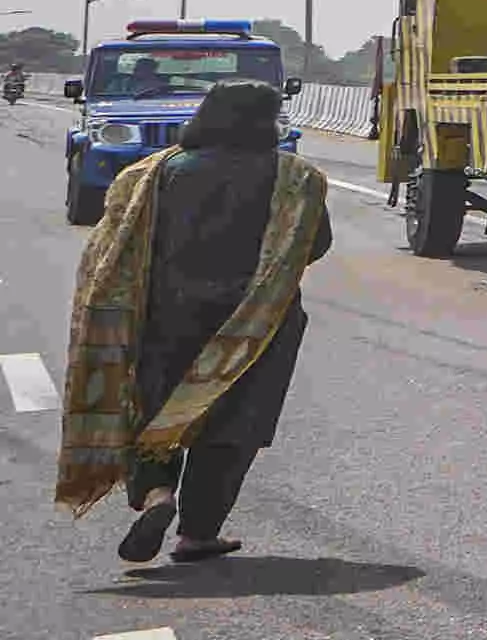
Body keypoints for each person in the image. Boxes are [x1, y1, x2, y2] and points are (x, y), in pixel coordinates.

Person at [52, 80, 331, 565]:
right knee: (231, 427)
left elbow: (118, 239)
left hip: (166, 314)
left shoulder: (158, 172)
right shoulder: (297, 178)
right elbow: (316, 243)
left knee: (157, 412)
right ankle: (198, 533)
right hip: (257, 325)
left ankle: (157, 494)